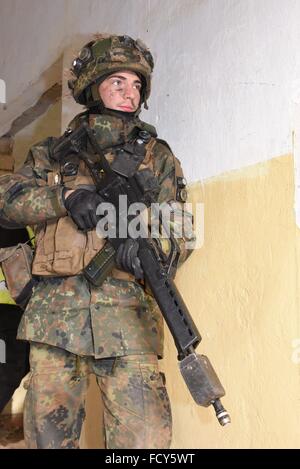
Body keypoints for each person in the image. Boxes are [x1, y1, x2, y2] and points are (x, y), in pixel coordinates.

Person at [0, 34, 195, 449]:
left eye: (136, 85)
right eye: (117, 82)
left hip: (130, 320)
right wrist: (64, 197)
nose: (129, 94)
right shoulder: (50, 154)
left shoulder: (156, 156)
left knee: (145, 443)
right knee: (49, 440)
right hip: (54, 318)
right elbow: (6, 201)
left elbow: (181, 225)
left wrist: (153, 250)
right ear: (93, 86)